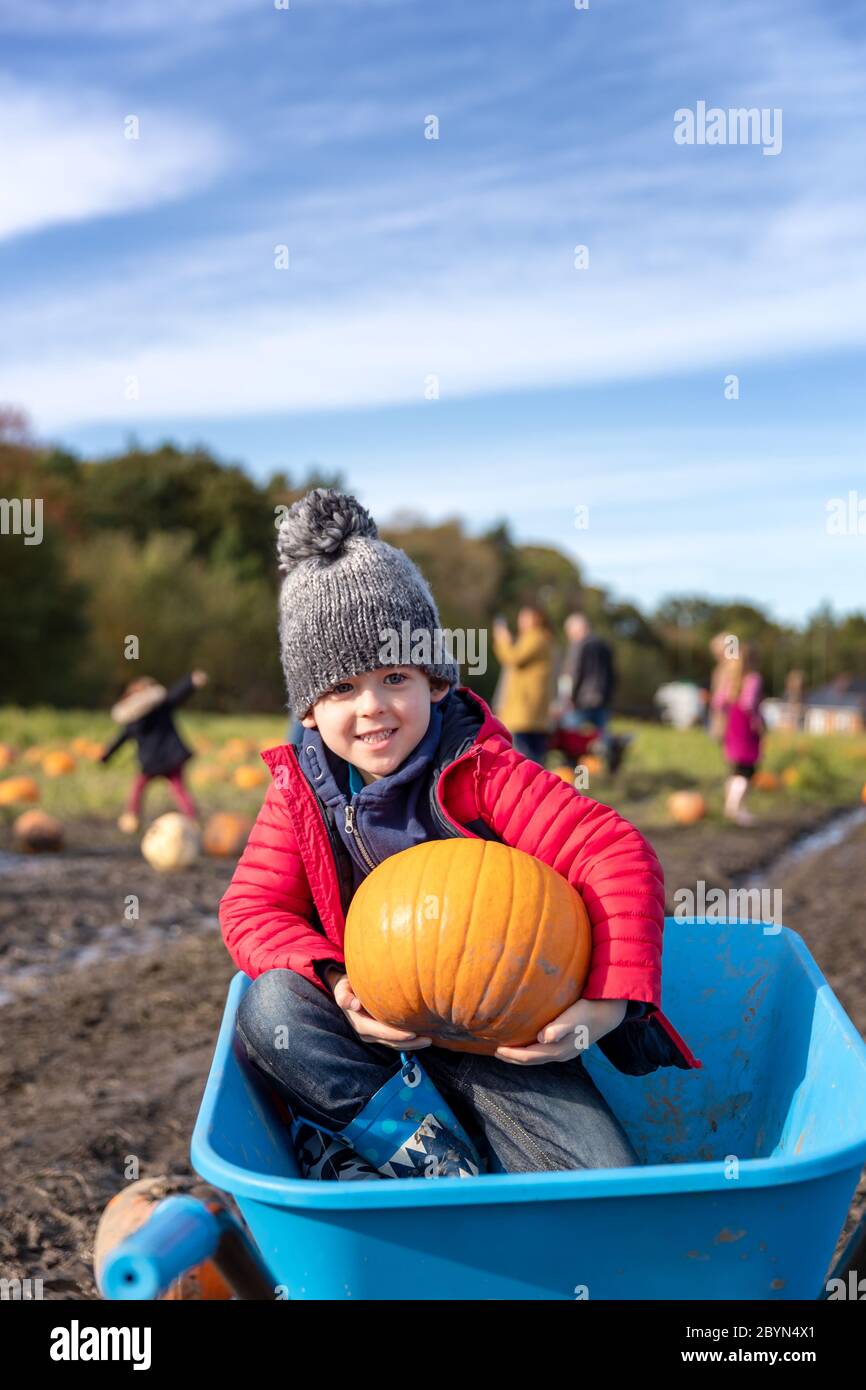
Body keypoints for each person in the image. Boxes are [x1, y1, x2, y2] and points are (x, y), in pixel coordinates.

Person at [219, 489, 700, 1182]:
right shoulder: (301, 794)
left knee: (599, 1182)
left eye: (395, 677)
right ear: (309, 709)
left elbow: (613, 851)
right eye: (342, 689)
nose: (373, 708)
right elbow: (250, 909)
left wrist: (604, 1004)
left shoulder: (483, 772)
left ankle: (413, 1162)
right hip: (373, 1035)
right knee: (269, 1010)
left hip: (495, 1034)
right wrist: (341, 983)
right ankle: (422, 1156)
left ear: (436, 682)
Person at [100, 670, 208, 833]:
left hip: (157, 759)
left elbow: (176, 693)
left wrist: (191, 682)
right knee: (173, 789)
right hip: (167, 758)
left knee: (143, 788)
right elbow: (121, 739)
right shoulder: (142, 716)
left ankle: (133, 817)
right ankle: (190, 819)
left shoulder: (158, 708)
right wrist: (107, 755)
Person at [557, 613, 626, 773]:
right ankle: (606, 771)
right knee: (601, 739)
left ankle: (574, 772)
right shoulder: (604, 646)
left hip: (580, 701)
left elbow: (574, 673)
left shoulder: (579, 646)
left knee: (572, 740)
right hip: (602, 700)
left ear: (576, 630)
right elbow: (613, 675)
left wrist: (569, 699)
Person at [490, 606, 555, 764]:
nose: (522, 622)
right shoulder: (540, 638)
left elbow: (513, 658)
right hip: (532, 712)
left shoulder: (534, 637)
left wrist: (502, 639)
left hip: (525, 711)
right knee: (535, 756)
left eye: (526, 618)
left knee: (525, 758)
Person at [710, 643, 764, 826]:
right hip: (746, 725)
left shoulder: (729, 679)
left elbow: (718, 703)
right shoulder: (753, 679)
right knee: (747, 769)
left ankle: (733, 806)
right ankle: (735, 808)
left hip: (732, 723)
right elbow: (749, 704)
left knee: (736, 768)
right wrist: (758, 722)